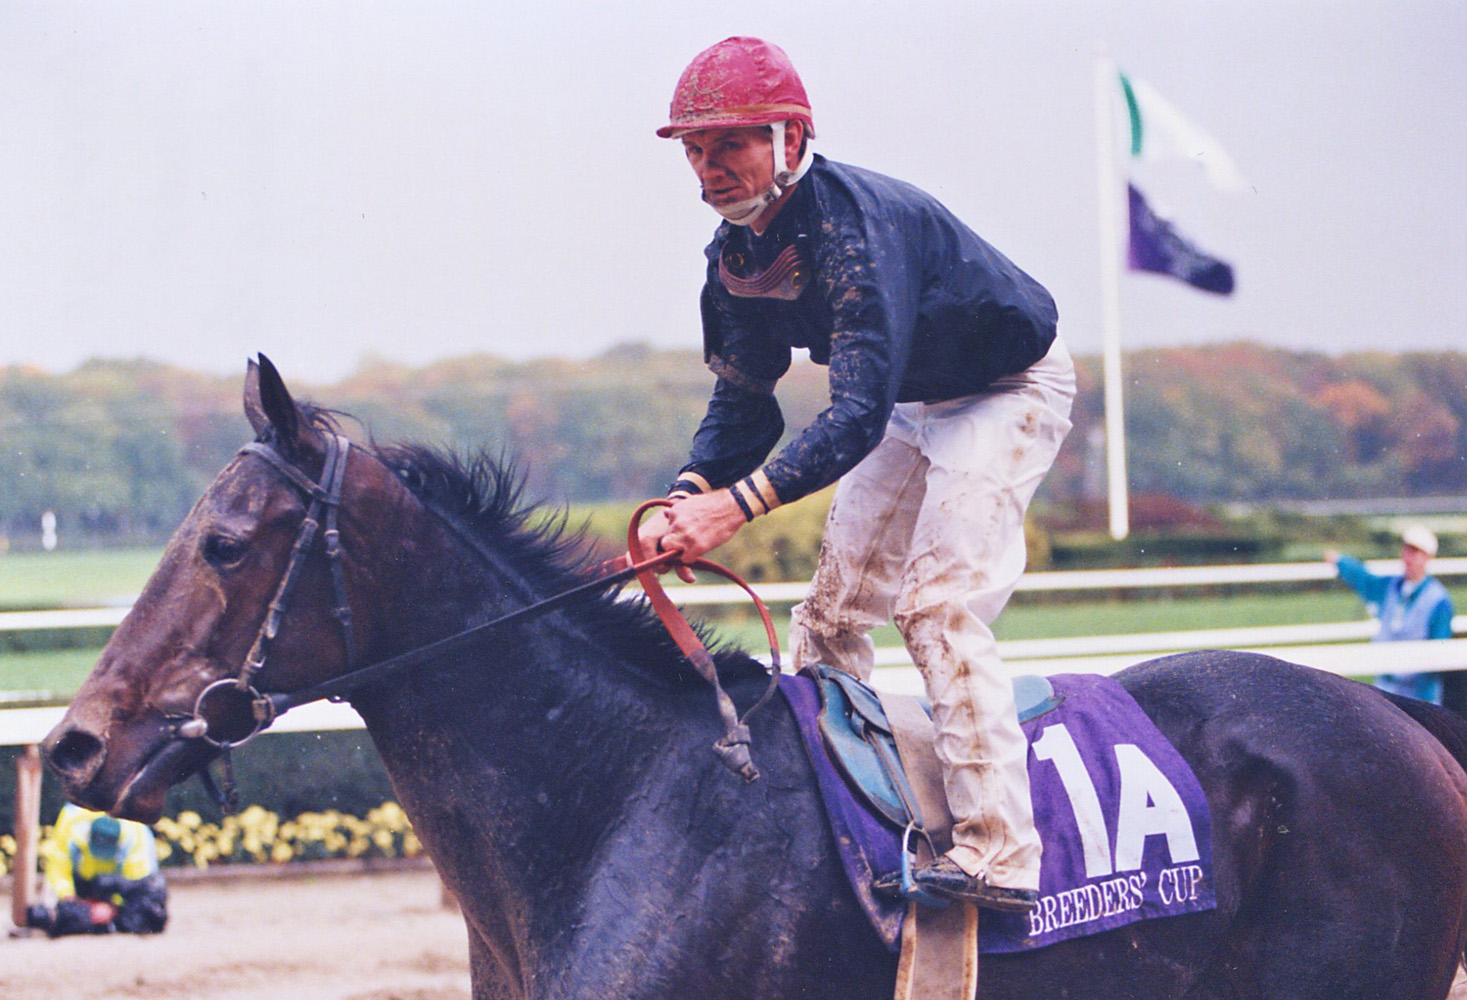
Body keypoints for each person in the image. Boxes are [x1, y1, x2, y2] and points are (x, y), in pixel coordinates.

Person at [639, 37, 1074, 912]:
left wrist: (739, 506)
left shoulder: (850, 228)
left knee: (935, 605)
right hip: (913, 402)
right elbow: (746, 408)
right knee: (833, 611)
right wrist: (689, 490)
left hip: (1003, 389)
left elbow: (853, 414)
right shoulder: (732, 262)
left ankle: (1002, 852)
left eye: (729, 144)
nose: (708, 167)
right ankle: (825, 815)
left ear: (790, 139)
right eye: (694, 149)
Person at [1325, 525, 1456, 704]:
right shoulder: (1390, 586)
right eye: (1406, 550)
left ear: (1428, 558)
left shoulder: (1439, 602)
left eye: (1415, 552)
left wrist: (1425, 705)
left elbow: (1437, 657)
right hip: (1386, 689)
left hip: (1418, 695)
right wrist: (1340, 561)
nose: (1409, 557)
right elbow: (1364, 580)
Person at [27, 803, 168, 937]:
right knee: (57, 914)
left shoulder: (136, 836)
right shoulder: (71, 822)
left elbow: (135, 884)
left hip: (115, 886)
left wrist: (112, 908)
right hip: (82, 882)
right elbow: (58, 867)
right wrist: (69, 898)